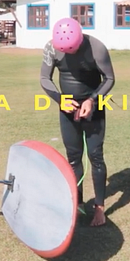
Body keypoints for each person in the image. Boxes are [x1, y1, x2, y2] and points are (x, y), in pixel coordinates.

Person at [40, 17, 115, 227]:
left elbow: (109, 78)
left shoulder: (96, 48)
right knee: (73, 157)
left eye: (73, 50)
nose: (70, 54)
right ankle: (77, 202)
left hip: (94, 108)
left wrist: (92, 100)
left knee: (95, 156)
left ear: (80, 40)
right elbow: (45, 78)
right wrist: (60, 99)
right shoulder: (51, 48)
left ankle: (99, 208)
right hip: (67, 108)